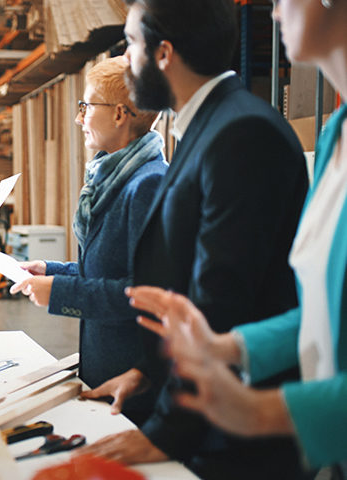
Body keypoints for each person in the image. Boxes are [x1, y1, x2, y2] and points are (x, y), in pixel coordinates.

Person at [77, 0, 311, 478]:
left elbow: (218, 303)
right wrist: (146, 376)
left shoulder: (241, 133)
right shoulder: (207, 127)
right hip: (207, 412)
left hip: (235, 434)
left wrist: (165, 434)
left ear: (163, 53)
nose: (127, 58)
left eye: (133, 44)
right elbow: (183, 280)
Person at [126, 0, 347, 474]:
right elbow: (317, 316)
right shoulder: (335, 137)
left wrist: (251, 411)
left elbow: (225, 296)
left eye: (130, 44)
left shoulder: (243, 131)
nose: (272, 12)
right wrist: (223, 348)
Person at [9, 56, 166, 425]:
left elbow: (145, 292)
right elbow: (108, 267)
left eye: (86, 106)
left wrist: (60, 293)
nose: (79, 119)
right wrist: (51, 270)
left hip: (134, 381)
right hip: (106, 371)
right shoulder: (112, 176)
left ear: (119, 114)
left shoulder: (147, 184)